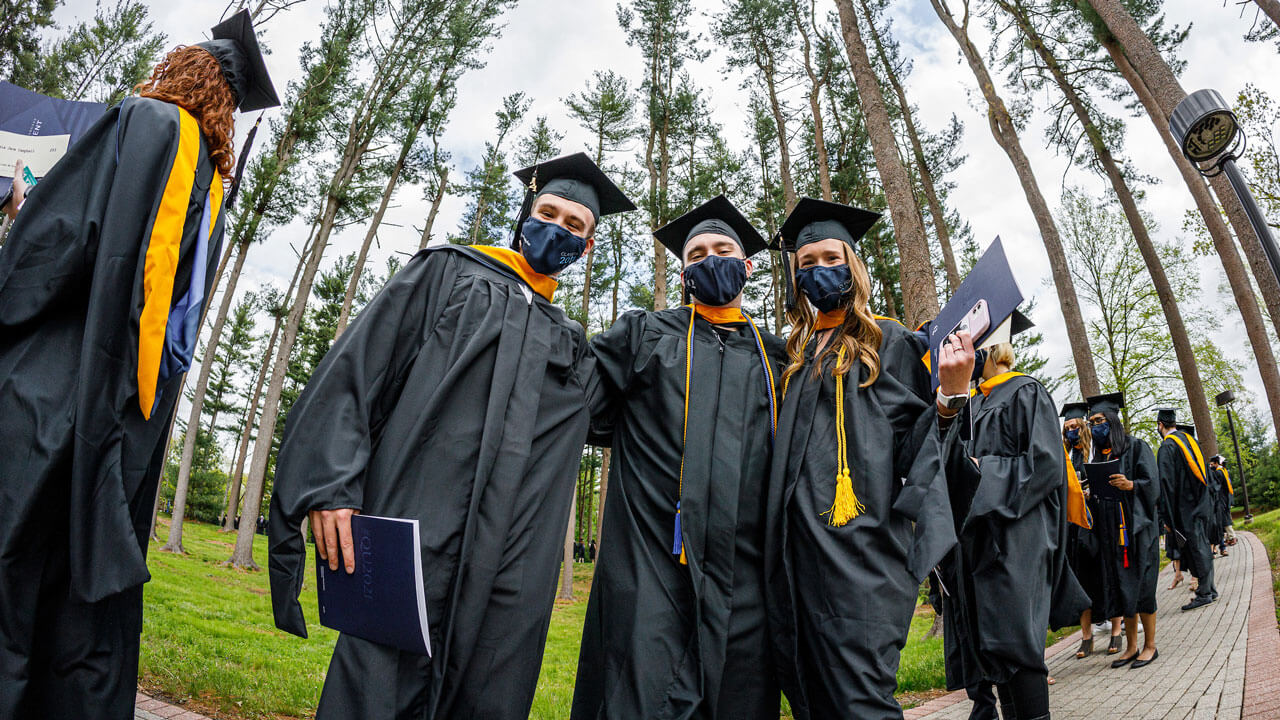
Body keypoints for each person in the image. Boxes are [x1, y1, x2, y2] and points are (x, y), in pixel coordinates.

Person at [267, 152, 635, 720]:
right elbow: (359, 368)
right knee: (376, 685)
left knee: (485, 690)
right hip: (413, 533)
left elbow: (624, 419)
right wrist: (331, 483)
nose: (556, 228)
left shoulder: (569, 346)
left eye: (573, 225)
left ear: (585, 249)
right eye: (548, 211)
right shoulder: (446, 273)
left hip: (506, 568)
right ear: (524, 216)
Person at [0, 12, 277, 718]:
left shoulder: (143, 121)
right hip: (126, 414)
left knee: (14, 560)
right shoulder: (214, 186)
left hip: (49, 387)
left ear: (188, 69)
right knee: (79, 582)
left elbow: (59, 245)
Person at [571, 196, 785, 720]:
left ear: (747, 265)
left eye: (723, 249)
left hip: (747, 578)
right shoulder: (644, 335)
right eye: (696, 254)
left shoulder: (777, 357)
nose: (710, 259)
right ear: (684, 271)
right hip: (651, 569)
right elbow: (570, 400)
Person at [756, 197, 958, 720]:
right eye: (806, 263)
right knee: (814, 701)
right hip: (797, 562)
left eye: (830, 259)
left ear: (854, 266)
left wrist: (948, 398)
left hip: (862, 559)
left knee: (861, 703)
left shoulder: (888, 343)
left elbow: (920, 448)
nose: (819, 270)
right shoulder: (792, 356)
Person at [939, 327, 1089, 720]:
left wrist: (980, 471)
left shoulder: (1025, 391)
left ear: (990, 347)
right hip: (977, 542)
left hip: (1016, 539)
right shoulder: (969, 405)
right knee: (993, 649)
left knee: (1017, 647)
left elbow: (1045, 465)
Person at [1082, 393, 1161, 670]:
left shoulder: (1137, 447)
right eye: (1091, 422)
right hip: (1111, 533)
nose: (1095, 426)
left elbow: (1153, 485)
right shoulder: (1100, 456)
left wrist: (1131, 485)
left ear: (1113, 421)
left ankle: (1150, 646)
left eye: (1099, 420)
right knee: (1123, 588)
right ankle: (1130, 647)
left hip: (1137, 531)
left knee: (1142, 587)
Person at [1156, 410, 1218, 611]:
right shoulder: (1190, 440)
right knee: (1202, 546)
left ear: (1160, 425)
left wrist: (1165, 514)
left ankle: (1204, 593)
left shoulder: (1168, 446)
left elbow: (1166, 484)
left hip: (1184, 508)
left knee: (1196, 549)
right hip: (1202, 503)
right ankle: (1211, 589)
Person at [1062, 402, 1104, 659]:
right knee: (1080, 580)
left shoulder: (1096, 452)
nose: (1071, 431)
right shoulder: (1065, 455)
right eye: (1067, 428)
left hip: (1096, 523)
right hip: (1074, 526)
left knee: (1102, 576)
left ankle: (1116, 631)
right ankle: (1086, 637)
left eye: (1075, 426)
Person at [1208, 455, 1236, 553]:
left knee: (1222, 522)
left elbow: (1214, 485)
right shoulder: (1224, 471)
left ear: (1216, 463)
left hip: (1221, 501)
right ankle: (1226, 541)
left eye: (1212, 464)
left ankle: (1230, 539)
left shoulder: (1219, 473)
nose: (1211, 466)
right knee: (1223, 521)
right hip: (1225, 499)